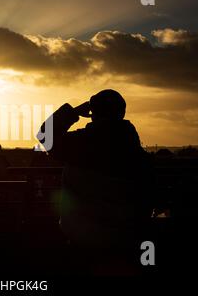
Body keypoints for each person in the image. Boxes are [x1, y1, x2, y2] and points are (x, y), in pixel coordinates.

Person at [37, 89, 153, 274]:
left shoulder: (78, 145)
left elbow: (45, 135)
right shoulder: (139, 156)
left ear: (93, 114)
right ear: (121, 113)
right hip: (126, 238)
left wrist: (73, 112)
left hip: (82, 237)